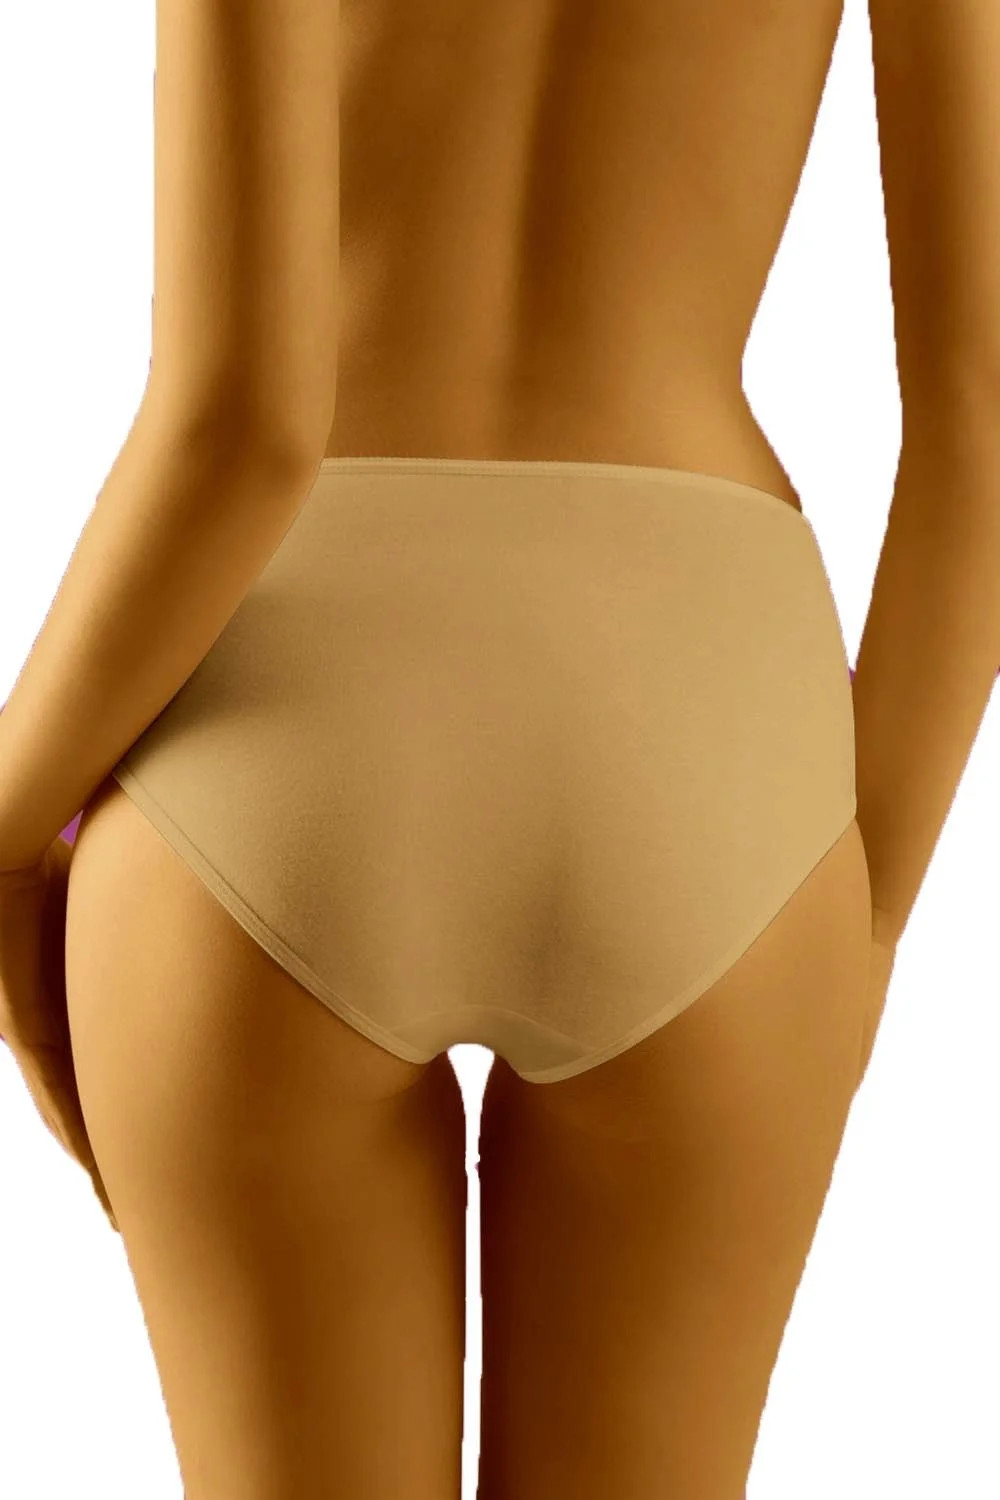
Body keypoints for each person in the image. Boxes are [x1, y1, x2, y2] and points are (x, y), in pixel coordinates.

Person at [1, 2, 997, 1495]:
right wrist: (860, 916)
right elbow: (982, 433)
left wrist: (7, 833)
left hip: (274, 751)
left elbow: (241, 428)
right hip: (700, 733)